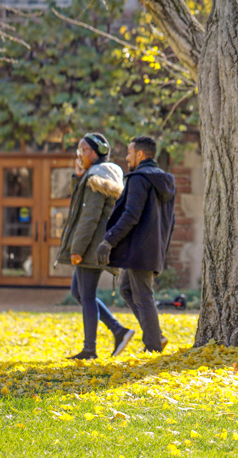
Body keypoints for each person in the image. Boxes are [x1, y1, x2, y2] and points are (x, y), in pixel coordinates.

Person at [95, 136, 176, 355]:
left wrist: (108, 240)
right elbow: (171, 220)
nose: (127, 157)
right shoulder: (165, 181)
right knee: (127, 289)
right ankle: (155, 334)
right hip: (152, 247)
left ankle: (153, 345)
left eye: (130, 152)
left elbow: (131, 214)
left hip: (140, 249)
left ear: (140, 155)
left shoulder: (139, 179)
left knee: (143, 295)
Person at [56, 133, 133, 360]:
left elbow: (88, 217)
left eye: (85, 150)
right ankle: (119, 330)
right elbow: (81, 205)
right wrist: (77, 177)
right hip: (96, 244)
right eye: (79, 150)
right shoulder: (97, 175)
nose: (80, 154)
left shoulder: (96, 178)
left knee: (86, 295)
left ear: (98, 152)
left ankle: (90, 349)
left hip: (92, 245)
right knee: (78, 292)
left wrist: (76, 249)